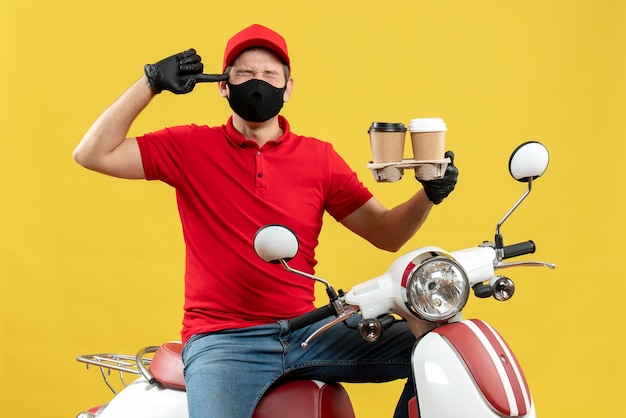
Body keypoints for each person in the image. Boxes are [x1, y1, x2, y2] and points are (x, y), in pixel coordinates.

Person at [73, 24, 458, 418]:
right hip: (223, 341)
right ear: (222, 85)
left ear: (288, 87)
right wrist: (150, 83)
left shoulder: (318, 159)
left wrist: (428, 195)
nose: (258, 82)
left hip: (310, 332)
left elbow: (386, 233)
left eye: (270, 74)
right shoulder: (190, 146)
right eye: (244, 73)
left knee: (444, 351)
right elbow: (92, 154)